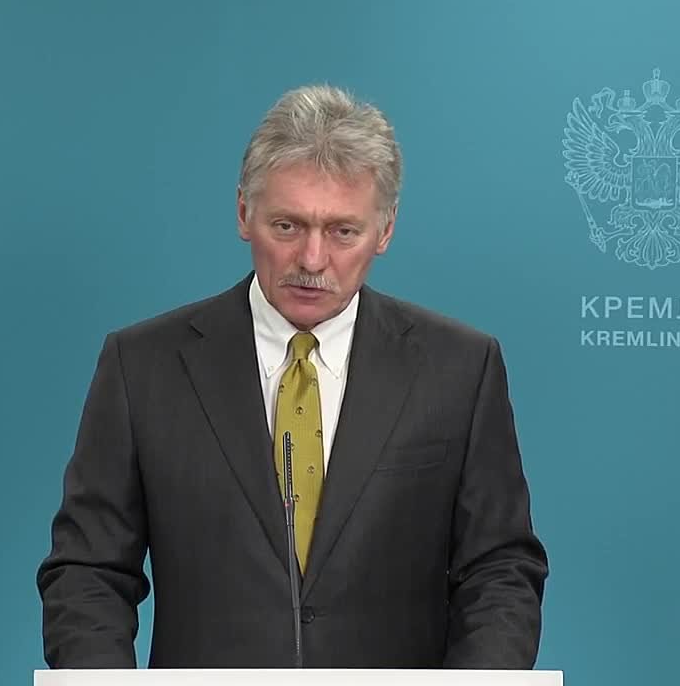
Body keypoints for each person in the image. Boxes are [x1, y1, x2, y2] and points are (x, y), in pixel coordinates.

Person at [37, 84, 548, 669]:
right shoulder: (142, 366)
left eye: (342, 231)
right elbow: (88, 571)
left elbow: (500, 569)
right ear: (243, 213)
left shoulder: (459, 368)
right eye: (287, 226)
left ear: (385, 231)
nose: (311, 259)